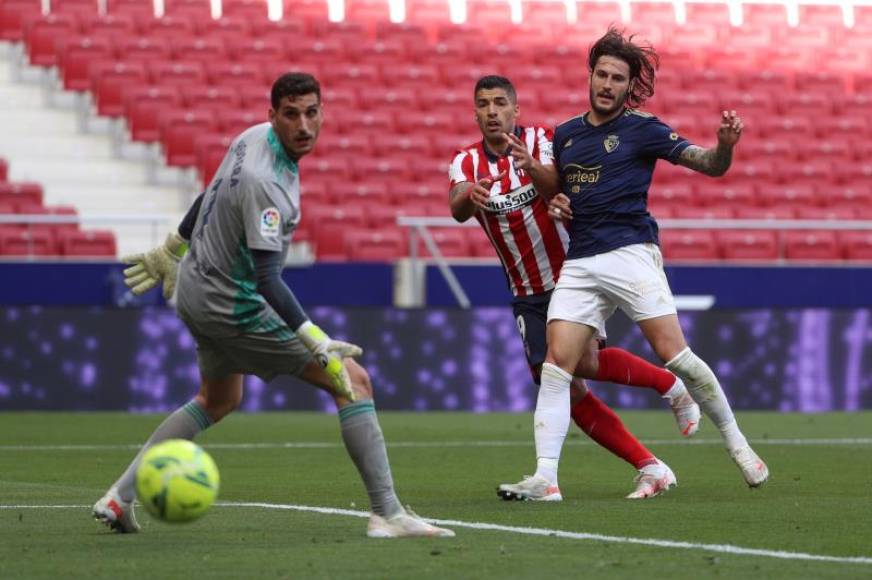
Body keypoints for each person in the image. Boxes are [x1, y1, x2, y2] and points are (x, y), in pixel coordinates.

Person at [93, 72, 454, 539]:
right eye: (291, 115)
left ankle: (118, 498)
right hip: (232, 303)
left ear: (322, 113)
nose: (303, 125)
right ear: (273, 116)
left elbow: (209, 194)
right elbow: (266, 279)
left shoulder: (249, 138)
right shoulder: (271, 186)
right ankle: (386, 513)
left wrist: (174, 247)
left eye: (311, 112)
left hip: (194, 290)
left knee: (219, 398)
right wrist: (318, 341)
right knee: (353, 382)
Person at [506, 28, 769, 496]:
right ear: (590, 77)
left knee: (677, 356)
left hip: (631, 252)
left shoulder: (643, 128)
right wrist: (553, 194)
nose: (607, 84)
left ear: (630, 86)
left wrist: (725, 146)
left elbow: (707, 164)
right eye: (601, 75)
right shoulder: (565, 135)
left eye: (617, 78)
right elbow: (560, 193)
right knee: (556, 364)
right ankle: (545, 478)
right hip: (583, 260)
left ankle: (738, 444)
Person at [448, 75, 702, 501]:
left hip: (572, 274)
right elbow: (456, 207)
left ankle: (660, 397)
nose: (491, 111)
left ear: (516, 110)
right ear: (474, 113)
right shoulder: (466, 161)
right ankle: (650, 461)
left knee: (568, 369)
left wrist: (545, 181)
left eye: (499, 103)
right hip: (525, 287)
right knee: (569, 375)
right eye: (483, 104)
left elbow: (566, 185)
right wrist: (468, 196)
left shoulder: (544, 141)